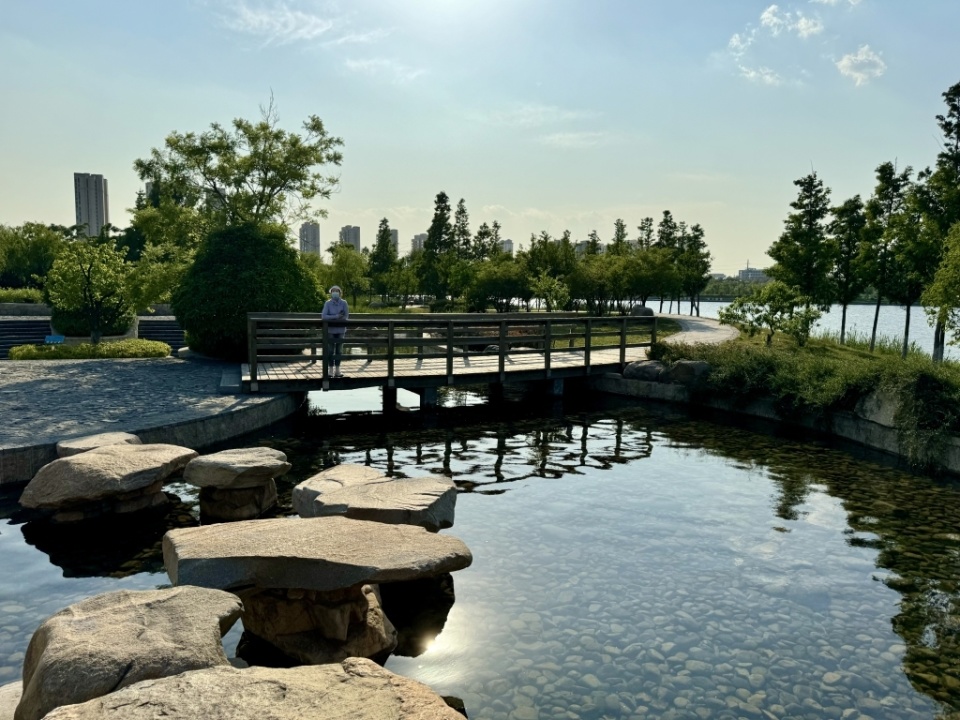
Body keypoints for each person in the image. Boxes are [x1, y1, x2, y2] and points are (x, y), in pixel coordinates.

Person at [321, 285, 349, 377]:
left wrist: (333, 318)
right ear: (331, 293)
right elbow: (324, 316)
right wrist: (336, 316)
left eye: (337, 291)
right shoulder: (327, 303)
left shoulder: (344, 303)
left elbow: (345, 316)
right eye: (333, 291)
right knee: (330, 350)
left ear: (340, 293)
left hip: (341, 330)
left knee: (339, 350)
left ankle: (337, 370)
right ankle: (330, 370)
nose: (335, 293)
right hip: (330, 330)